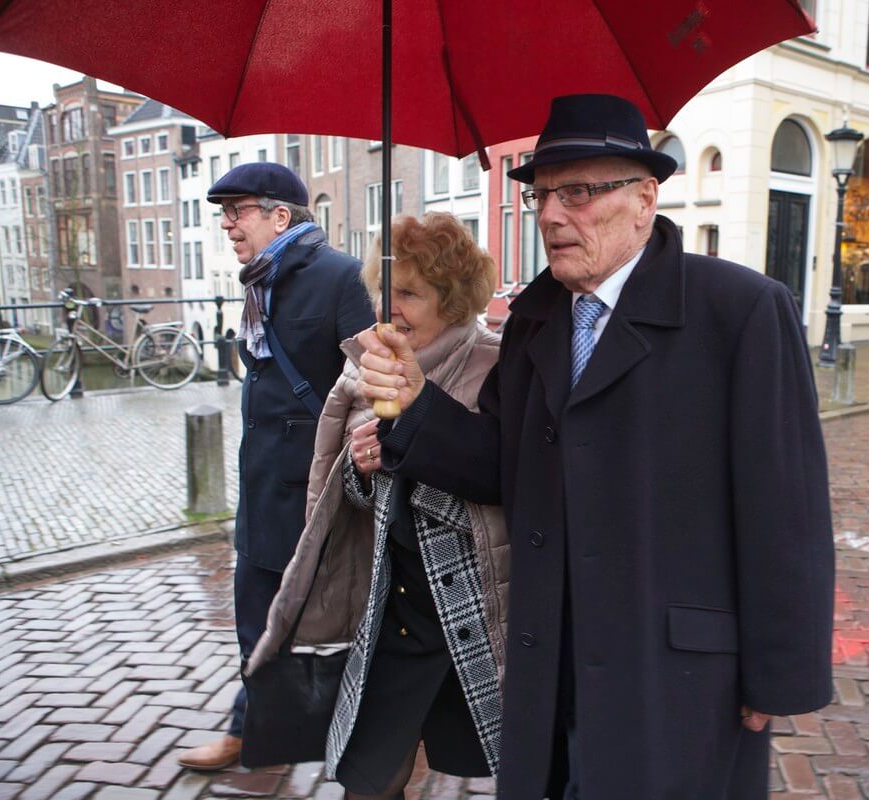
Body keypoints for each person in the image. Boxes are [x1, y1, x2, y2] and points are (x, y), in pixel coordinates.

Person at [356, 94, 835, 799]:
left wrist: (778, 669)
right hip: (550, 659)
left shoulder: (739, 311)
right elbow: (501, 463)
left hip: (676, 669)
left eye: (579, 193)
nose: (551, 215)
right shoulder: (535, 319)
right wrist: (413, 402)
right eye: (544, 195)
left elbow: (785, 510)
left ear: (645, 198)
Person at [246, 214, 507, 797]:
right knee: (369, 770)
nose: (391, 310)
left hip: (471, 614)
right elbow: (349, 500)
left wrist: (406, 450)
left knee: (508, 754)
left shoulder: (496, 366)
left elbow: (502, 489)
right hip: (396, 608)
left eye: (411, 294)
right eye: (384, 294)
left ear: (454, 296)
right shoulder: (366, 369)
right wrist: (364, 471)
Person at [178, 163, 376, 771]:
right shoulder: (259, 281)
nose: (228, 224)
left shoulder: (341, 276)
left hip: (320, 490)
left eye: (238, 211)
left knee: (350, 617)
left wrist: (367, 451)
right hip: (263, 485)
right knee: (256, 614)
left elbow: (371, 380)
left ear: (279, 215)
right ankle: (253, 731)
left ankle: (376, 726)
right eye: (225, 214)